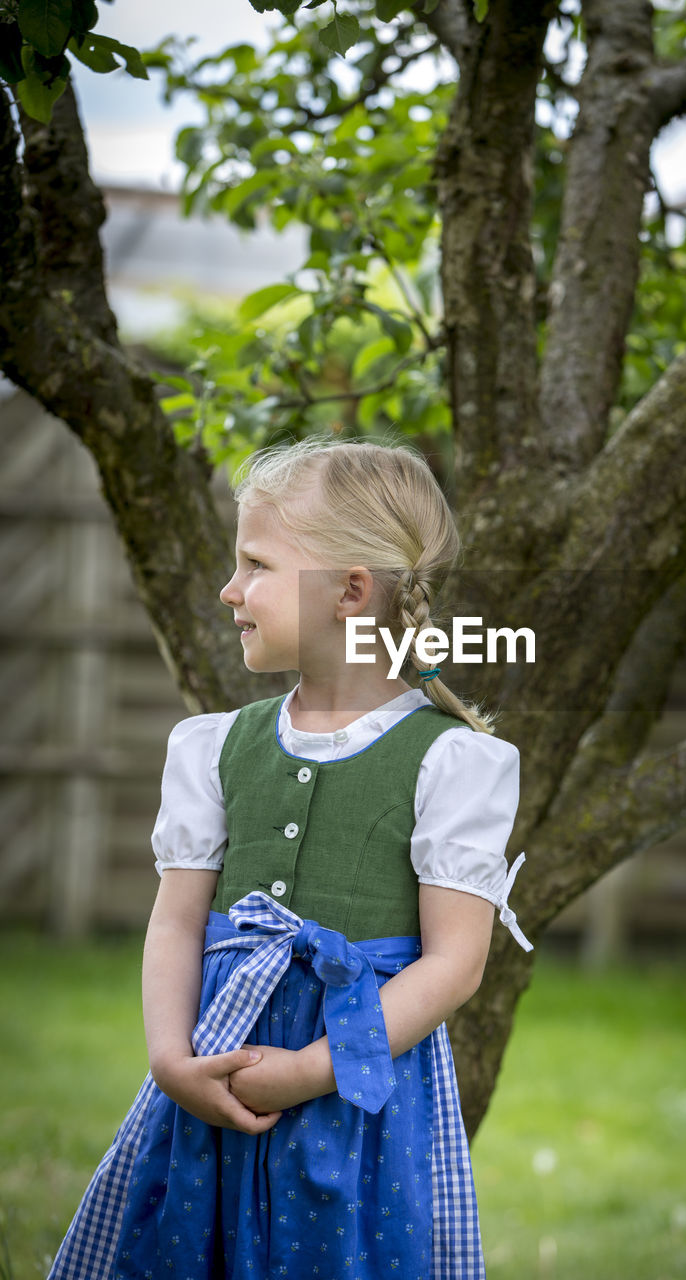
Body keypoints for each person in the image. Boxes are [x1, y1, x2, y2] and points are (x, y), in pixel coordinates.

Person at [48, 436, 531, 1280]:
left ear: (349, 590)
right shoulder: (212, 748)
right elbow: (176, 921)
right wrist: (172, 1061)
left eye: (256, 564)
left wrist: (311, 1069)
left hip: (353, 1096)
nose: (229, 590)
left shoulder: (453, 763)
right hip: (215, 1069)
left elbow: (454, 966)